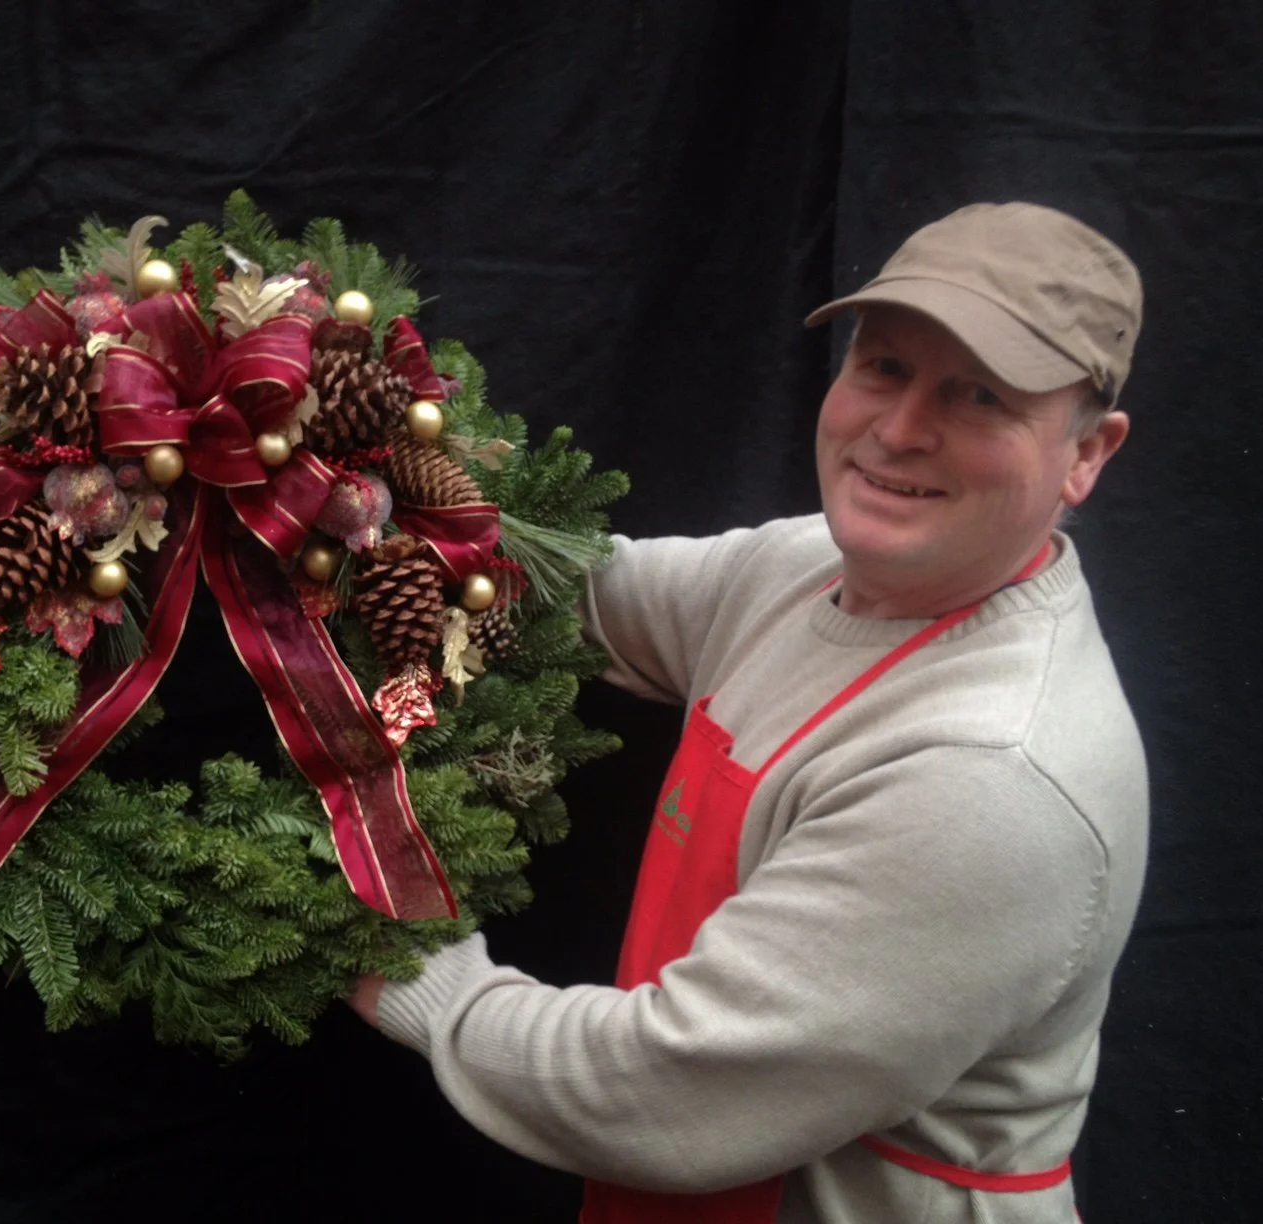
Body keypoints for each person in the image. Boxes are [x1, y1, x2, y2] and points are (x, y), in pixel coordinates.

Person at [349, 201, 1149, 1224]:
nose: (900, 430)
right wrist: (346, 487)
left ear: (1089, 452)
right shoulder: (802, 567)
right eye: (884, 367)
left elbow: (658, 1094)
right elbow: (579, 593)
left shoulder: (992, 771)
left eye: (981, 396)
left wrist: (409, 967)